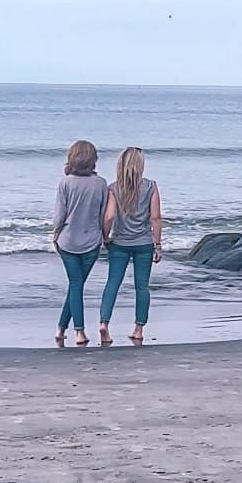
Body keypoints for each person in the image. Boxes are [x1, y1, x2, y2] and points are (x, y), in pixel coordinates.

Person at [98, 147, 162, 345]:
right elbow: (155, 218)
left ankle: (104, 324)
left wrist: (105, 236)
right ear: (140, 165)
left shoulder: (113, 188)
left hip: (119, 243)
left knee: (112, 283)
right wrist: (157, 244)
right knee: (142, 287)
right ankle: (138, 329)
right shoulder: (151, 186)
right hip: (143, 243)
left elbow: (109, 217)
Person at [52, 140, 108, 347]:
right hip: (91, 241)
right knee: (77, 285)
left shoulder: (65, 182)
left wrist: (55, 234)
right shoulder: (101, 183)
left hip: (68, 241)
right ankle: (67, 329)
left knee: (75, 285)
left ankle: (74, 331)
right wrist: (105, 236)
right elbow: (103, 214)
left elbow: (60, 215)